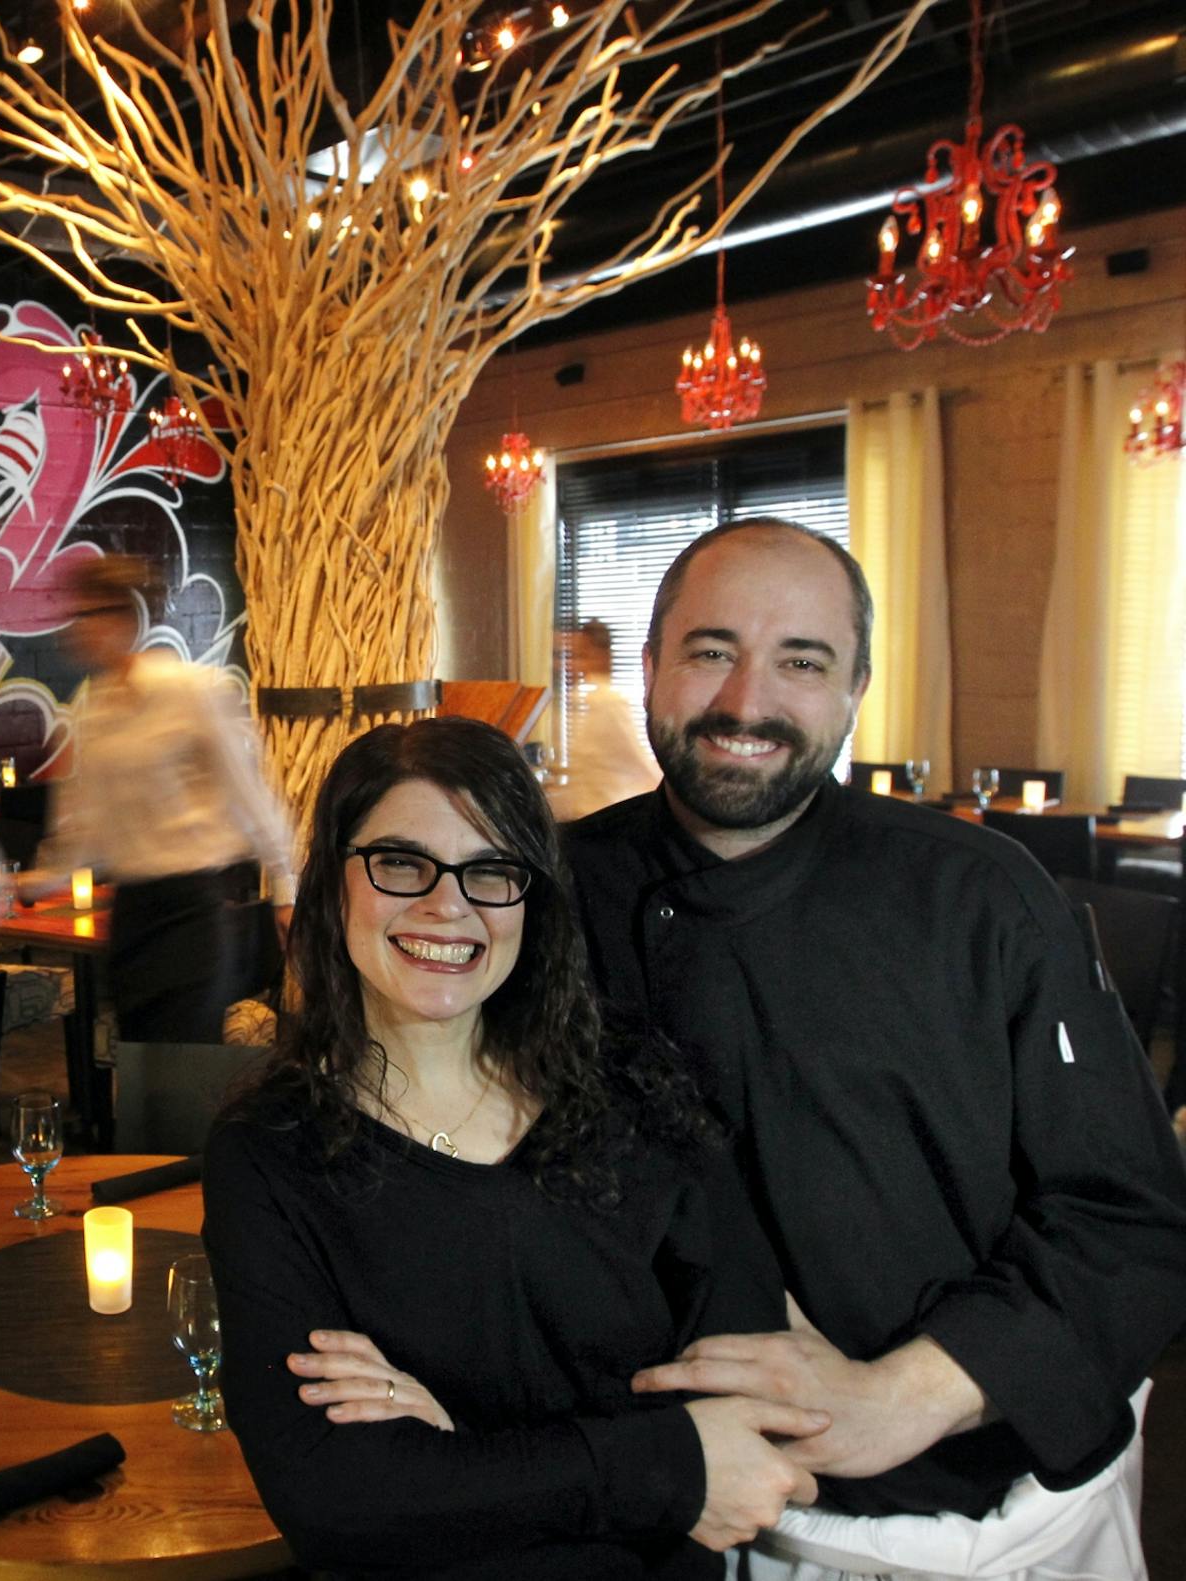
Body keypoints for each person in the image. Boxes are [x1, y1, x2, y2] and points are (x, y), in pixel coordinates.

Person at [561, 519, 1186, 1578]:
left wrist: (899, 1395)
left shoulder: (983, 898)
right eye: (711, 650)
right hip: (650, 1504)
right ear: (652, 665)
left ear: (856, 689)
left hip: (961, 1518)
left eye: (802, 662)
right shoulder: (551, 891)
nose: (746, 701)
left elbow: (1129, 1220)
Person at [202, 716, 813, 1580]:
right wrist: (657, 1465)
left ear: (532, 898)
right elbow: (333, 1500)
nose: (447, 905)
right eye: (401, 862)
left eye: (490, 870)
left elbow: (742, 1413)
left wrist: (457, 1456)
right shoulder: (269, 1152)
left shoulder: (638, 1090)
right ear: (335, 884)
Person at [26, 555, 296, 1041]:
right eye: (76, 615)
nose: (78, 628)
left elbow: (249, 792)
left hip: (193, 911)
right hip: (132, 911)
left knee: (181, 1063)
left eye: (91, 614)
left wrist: (285, 890)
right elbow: (84, 826)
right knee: (137, 1064)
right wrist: (41, 879)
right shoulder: (93, 709)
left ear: (127, 617)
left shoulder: (190, 691)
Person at [546, 618, 661, 821]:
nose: (571, 664)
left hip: (606, 814)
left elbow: (639, 763)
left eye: (582, 655)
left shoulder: (610, 703)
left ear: (601, 656)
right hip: (584, 814)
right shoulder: (581, 700)